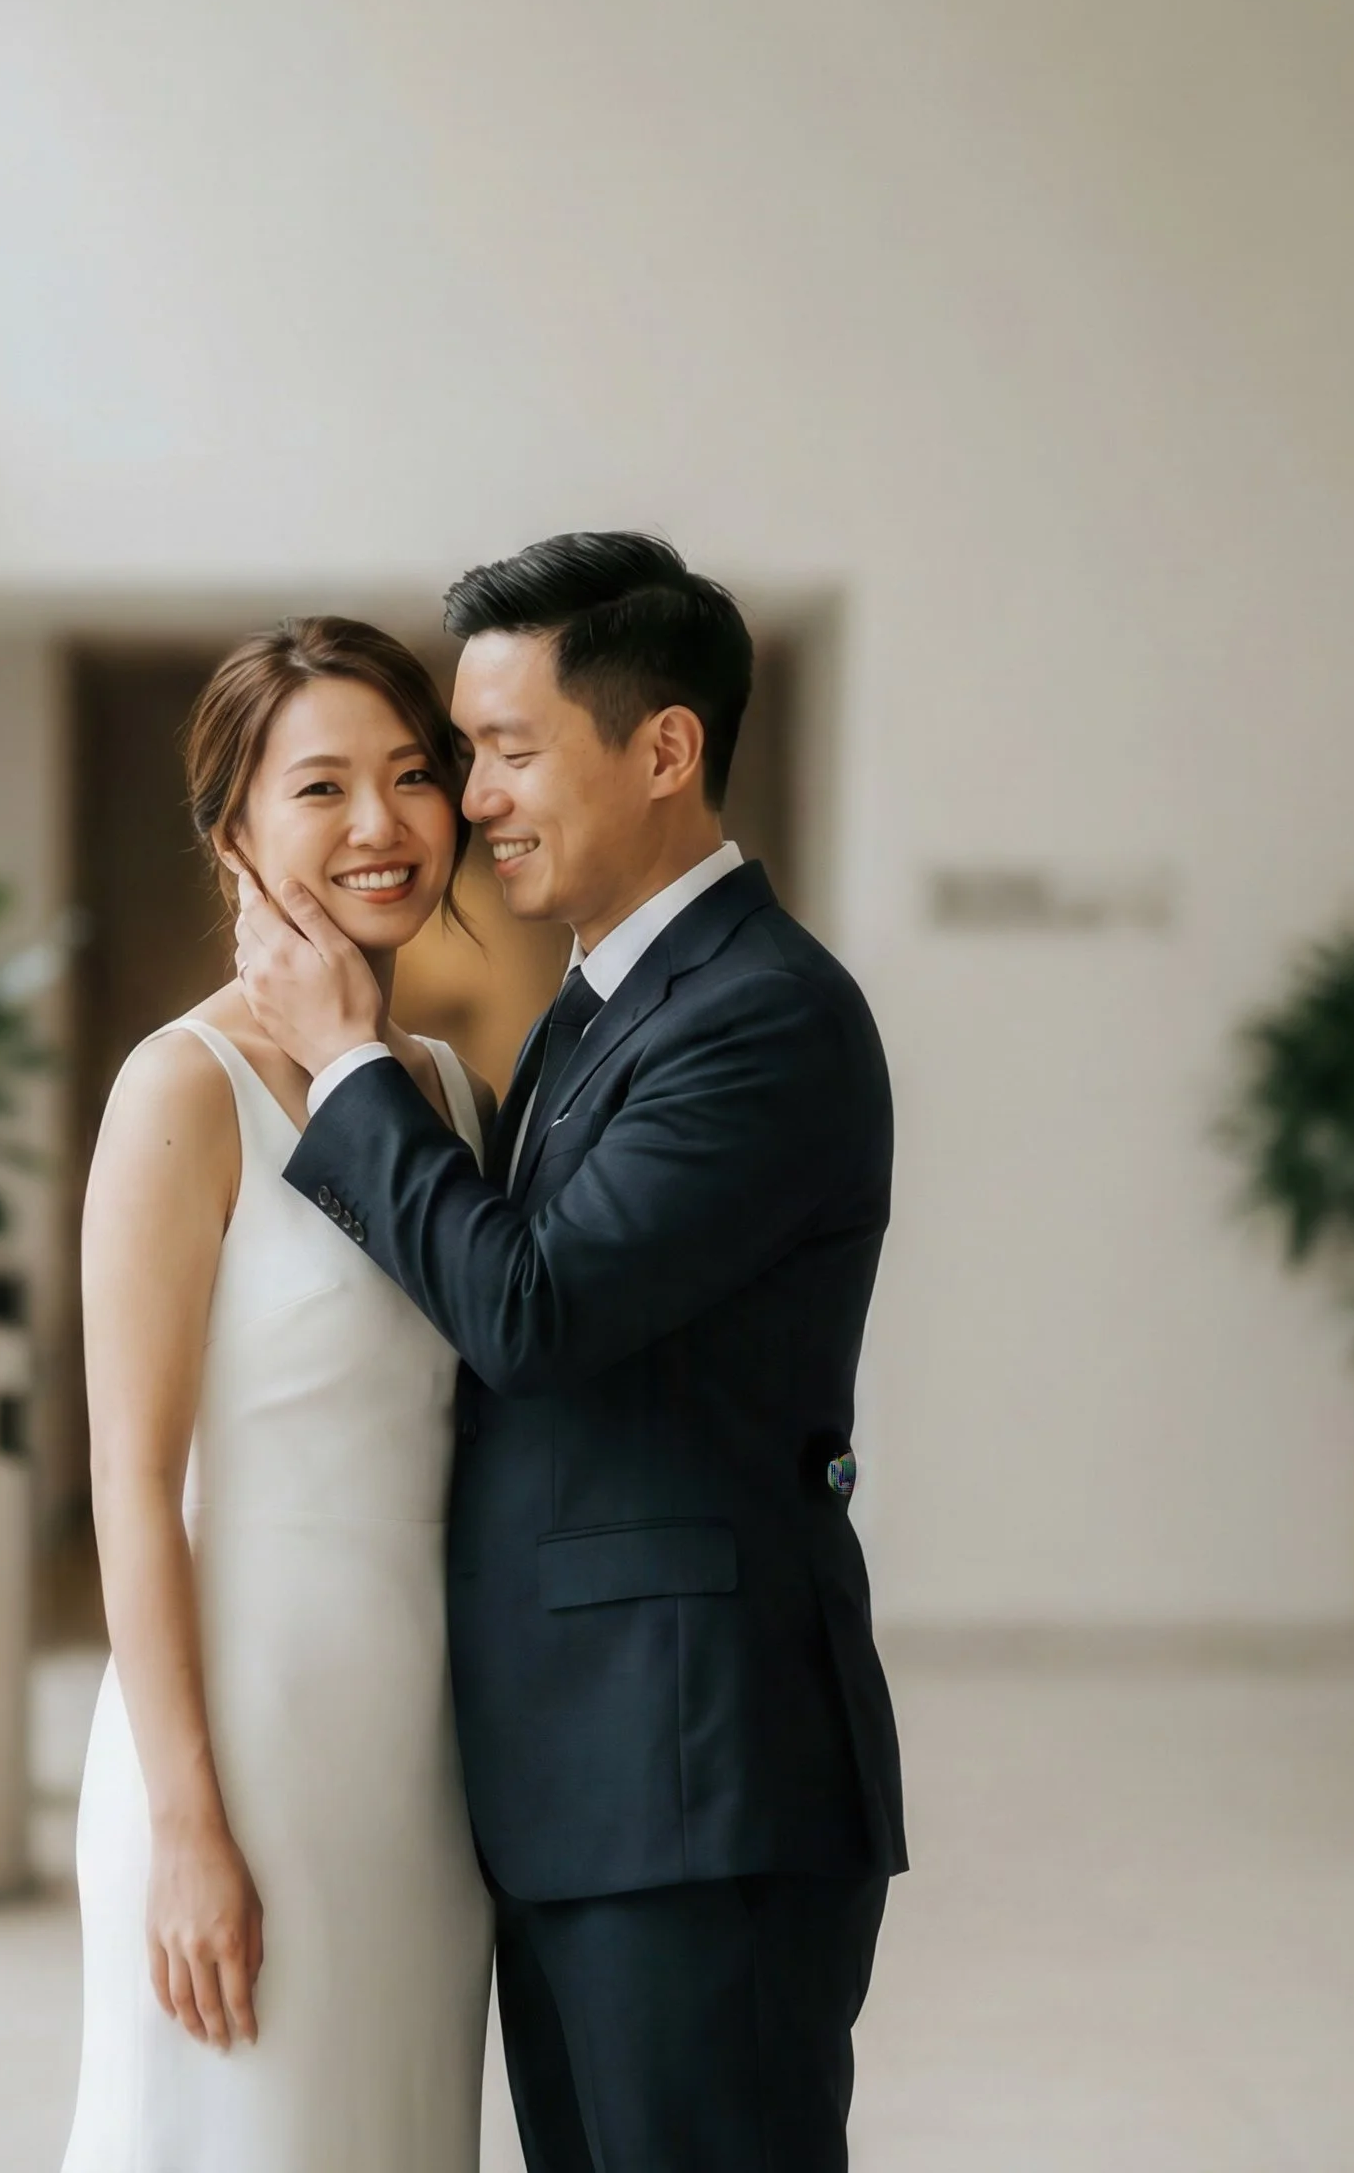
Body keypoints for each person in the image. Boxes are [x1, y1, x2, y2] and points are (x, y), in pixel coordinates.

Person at [238, 531, 907, 2173]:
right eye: (469, 755)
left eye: (508, 750)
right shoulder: (602, 1001)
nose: (470, 802)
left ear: (665, 747)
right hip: (590, 1786)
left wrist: (344, 1069)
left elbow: (534, 1308)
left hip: (693, 1789)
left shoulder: (763, 1013)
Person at [61, 616, 497, 2173]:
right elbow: (130, 1481)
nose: (381, 825)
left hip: (416, 1774)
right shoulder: (182, 1088)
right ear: (233, 829)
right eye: (323, 787)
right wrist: (187, 1827)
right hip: (241, 1754)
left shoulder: (445, 1091)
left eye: (411, 777)